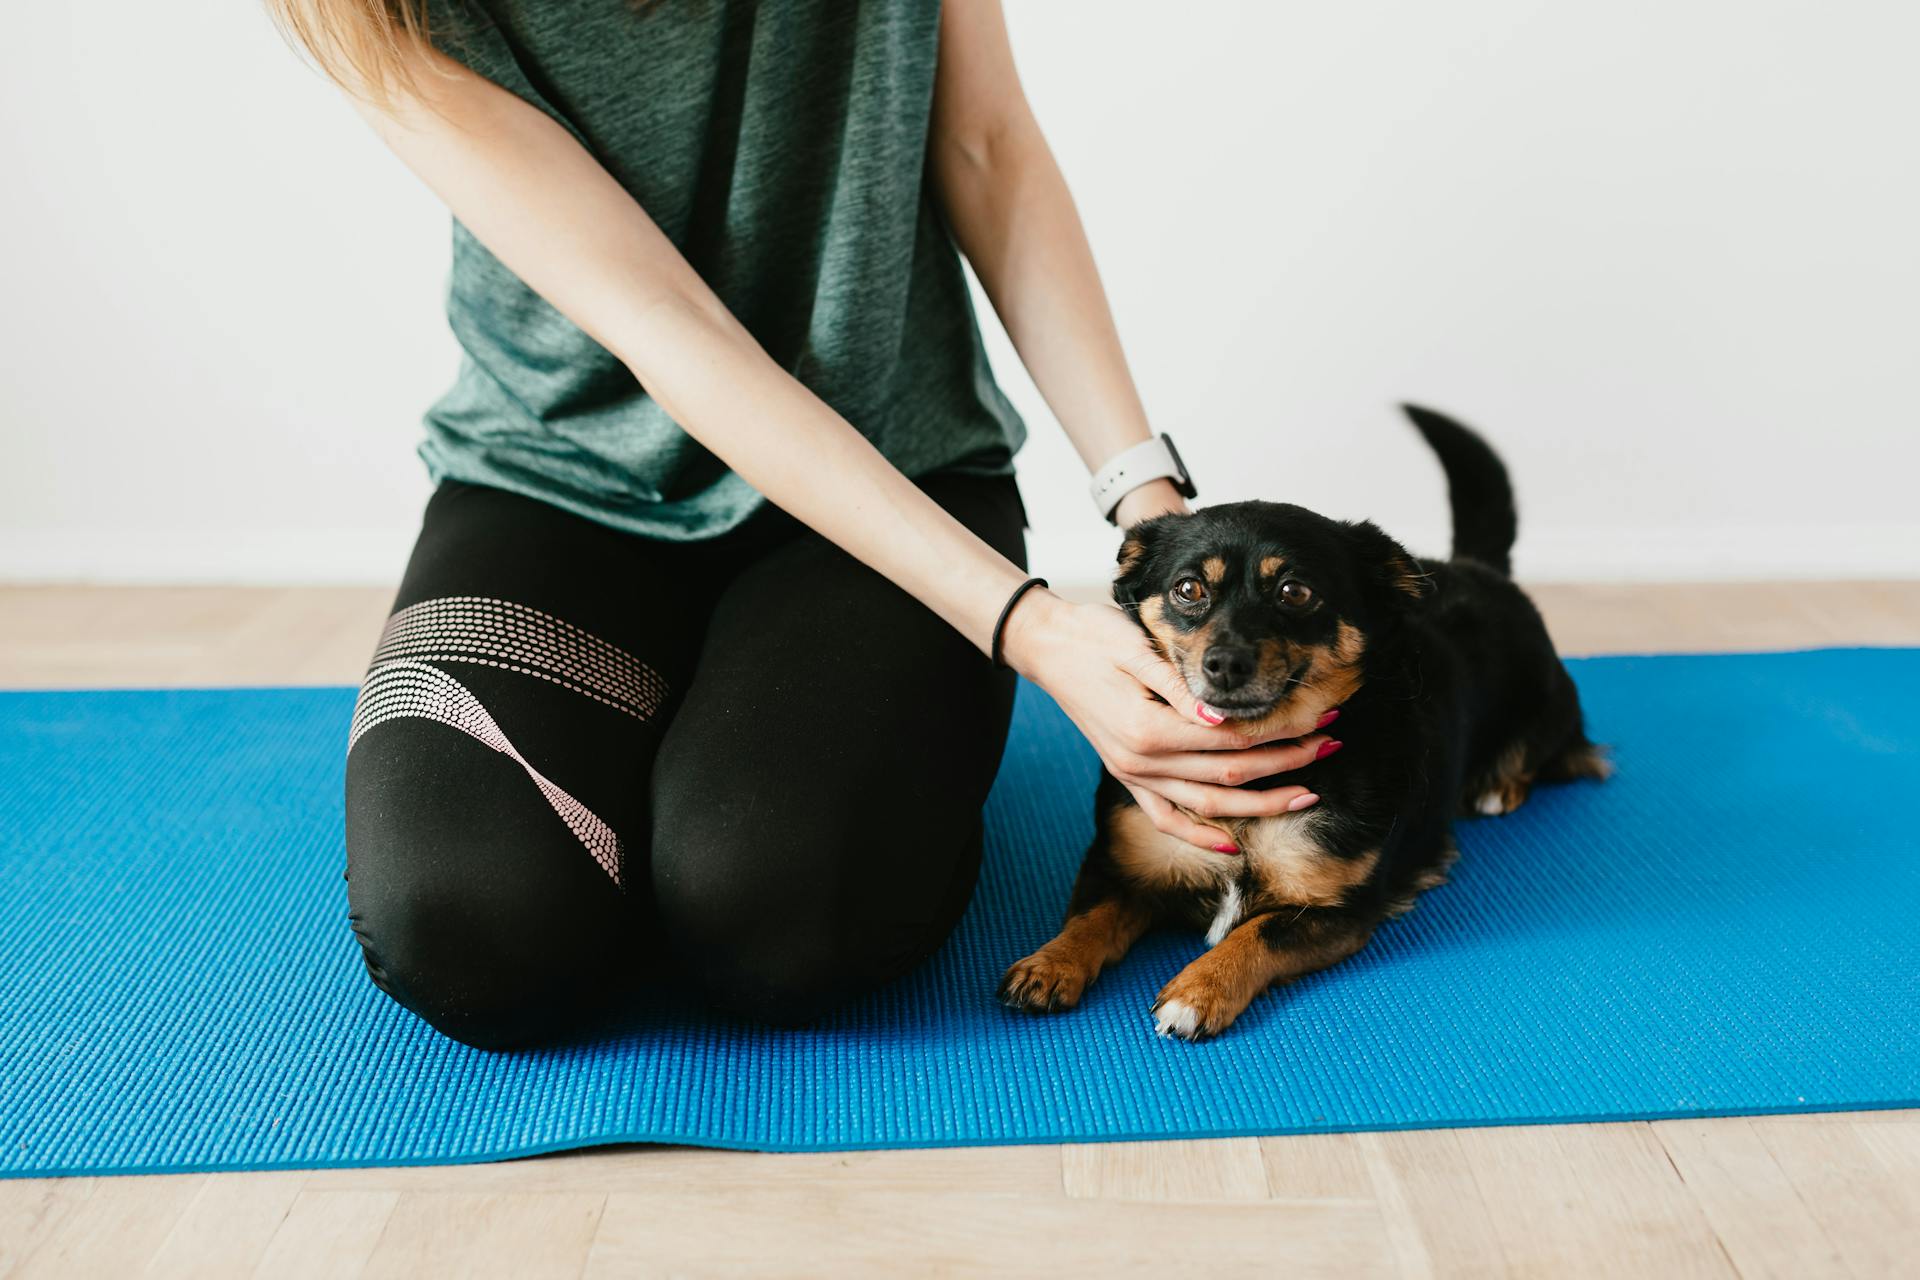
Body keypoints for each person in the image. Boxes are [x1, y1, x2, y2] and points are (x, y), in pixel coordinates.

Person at [270, 0, 1335, 1049]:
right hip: (556, 478)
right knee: (470, 931)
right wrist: (1035, 626)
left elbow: (985, 143)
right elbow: (664, 319)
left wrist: (1154, 518)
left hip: (897, 470)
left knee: (782, 918)